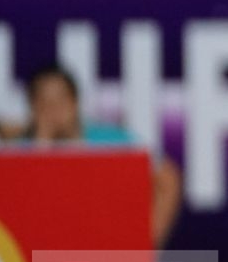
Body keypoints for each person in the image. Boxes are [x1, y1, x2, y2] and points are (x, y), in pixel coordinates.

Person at [14, 65, 182, 247]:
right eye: (44, 102)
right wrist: (41, 146)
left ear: (75, 102)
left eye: (61, 99)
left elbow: (167, 177)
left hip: (117, 259)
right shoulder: (18, 154)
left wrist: (147, 238)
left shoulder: (114, 142)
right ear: (31, 107)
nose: (54, 109)